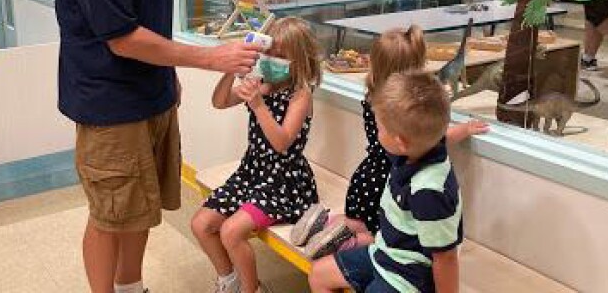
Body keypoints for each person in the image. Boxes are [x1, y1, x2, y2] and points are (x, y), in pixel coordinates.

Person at [51, 0, 262, 293]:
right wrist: (210, 59)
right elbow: (122, 37)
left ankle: (131, 286)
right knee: (110, 213)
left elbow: (157, 0)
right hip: (108, 98)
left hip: (152, 87)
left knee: (141, 206)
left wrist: (168, 73)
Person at [290, 26, 487, 260]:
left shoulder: (373, 96)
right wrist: (464, 130)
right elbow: (432, 139)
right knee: (379, 234)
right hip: (387, 179)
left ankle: (323, 224)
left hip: (366, 175)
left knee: (356, 221)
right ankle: (347, 244)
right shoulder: (401, 111)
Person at [191, 17, 323, 293]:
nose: (272, 60)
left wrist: (258, 105)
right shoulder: (261, 83)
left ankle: (251, 289)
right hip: (252, 172)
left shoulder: (300, 95)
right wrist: (231, 70)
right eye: (269, 52)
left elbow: (282, 143)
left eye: (280, 55)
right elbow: (219, 102)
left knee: (231, 232)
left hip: (284, 182)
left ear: (299, 61)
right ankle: (230, 280)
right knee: (201, 224)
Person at [308, 71, 463, 293]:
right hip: (384, 253)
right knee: (318, 274)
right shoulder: (414, 150)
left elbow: (445, 258)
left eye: (379, 128)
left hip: (408, 278)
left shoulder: (429, 192)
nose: (377, 132)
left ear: (400, 142)